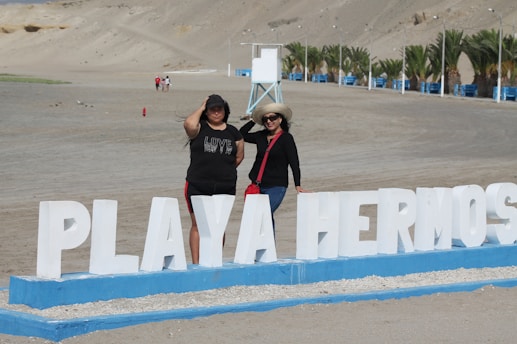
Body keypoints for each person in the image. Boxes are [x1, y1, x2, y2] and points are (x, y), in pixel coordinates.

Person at [184, 94, 244, 264]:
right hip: (198, 183)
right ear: (207, 111)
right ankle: (196, 263)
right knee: (197, 225)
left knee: (218, 227)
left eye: (220, 109)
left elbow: (239, 157)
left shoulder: (234, 133)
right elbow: (188, 124)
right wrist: (202, 107)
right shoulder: (199, 128)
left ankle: (214, 259)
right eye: (212, 109)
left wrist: (223, 171)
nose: (216, 112)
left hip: (225, 186)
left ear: (225, 111)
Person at [240, 103, 307, 232]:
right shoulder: (260, 136)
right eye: (265, 119)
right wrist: (254, 119)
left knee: (264, 214)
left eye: (273, 118)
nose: (269, 121)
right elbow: (241, 134)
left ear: (280, 119)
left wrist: (297, 185)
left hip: (276, 186)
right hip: (257, 185)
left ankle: (268, 247)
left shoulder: (286, 138)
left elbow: (294, 162)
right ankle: (267, 248)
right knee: (261, 217)